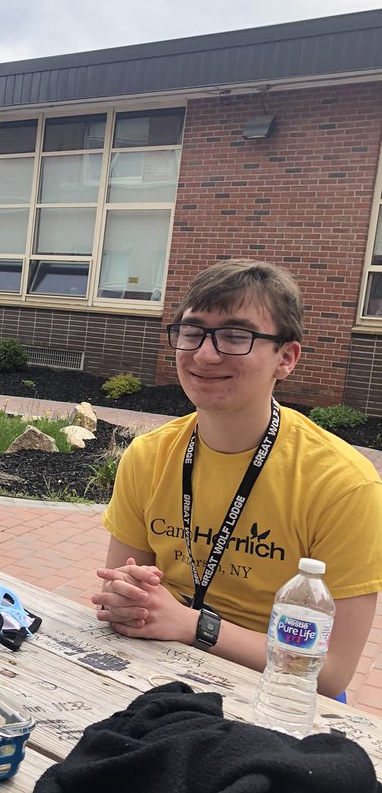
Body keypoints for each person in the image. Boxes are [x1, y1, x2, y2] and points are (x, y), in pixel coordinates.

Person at [91, 259, 382, 698]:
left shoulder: (343, 484)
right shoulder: (149, 456)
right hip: (155, 669)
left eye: (235, 336)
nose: (205, 354)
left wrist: (193, 625)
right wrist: (126, 598)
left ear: (286, 358)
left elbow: (331, 672)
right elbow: (121, 587)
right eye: (193, 332)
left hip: (277, 695)